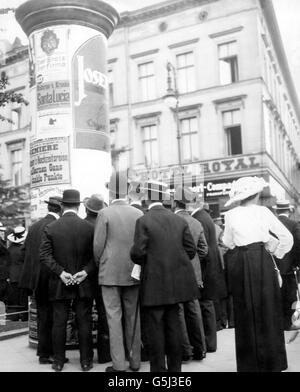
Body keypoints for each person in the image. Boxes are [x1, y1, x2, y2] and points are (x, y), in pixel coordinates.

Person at [223, 176, 293, 372]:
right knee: (268, 310)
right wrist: (275, 250)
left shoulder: (231, 215)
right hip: (262, 261)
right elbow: (286, 238)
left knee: (245, 311)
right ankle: (272, 363)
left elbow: (228, 242)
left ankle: (249, 365)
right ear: (256, 195)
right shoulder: (263, 212)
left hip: (241, 263)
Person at [130, 180, 199, 372]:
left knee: (155, 331)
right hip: (176, 286)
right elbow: (191, 251)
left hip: (153, 285)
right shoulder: (179, 220)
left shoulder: (143, 220)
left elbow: (138, 253)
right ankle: (175, 371)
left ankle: (158, 372)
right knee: (174, 327)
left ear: (147, 197)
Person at [40, 189, 96, 372]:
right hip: (83, 282)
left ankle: (58, 361)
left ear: (62, 206)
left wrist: (61, 273)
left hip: (58, 283)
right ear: (79, 207)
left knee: (59, 322)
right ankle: (86, 361)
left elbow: (45, 255)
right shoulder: (89, 228)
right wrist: (85, 272)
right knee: (84, 321)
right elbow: (97, 256)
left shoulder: (51, 228)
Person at [93, 171, 143, 372]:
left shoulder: (104, 213)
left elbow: (98, 246)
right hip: (133, 271)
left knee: (114, 318)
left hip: (110, 272)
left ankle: (118, 364)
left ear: (111, 192)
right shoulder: (138, 214)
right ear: (128, 191)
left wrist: (102, 264)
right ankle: (135, 361)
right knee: (133, 316)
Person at [19, 196, 62, 364]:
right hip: (52, 277)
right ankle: (50, 353)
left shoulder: (34, 226)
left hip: (37, 280)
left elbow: (24, 253)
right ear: (60, 208)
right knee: (54, 318)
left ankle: (43, 353)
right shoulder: (55, 226)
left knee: (43, 317)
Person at [173, 186, 208, 362]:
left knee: (179, 311)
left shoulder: (171, 220)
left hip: (177, 273)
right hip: (194, 273)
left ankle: (185, 351)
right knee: (194, 310)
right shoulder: (196, 222)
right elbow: (204, 249)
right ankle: (200, 349)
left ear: (174, 202)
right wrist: (192, 261)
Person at [191, 203, 227, 352]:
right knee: (208, 305)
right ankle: (210, 343)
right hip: (210, 268)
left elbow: (202, 249)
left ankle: (208, 343)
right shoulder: (205, 217)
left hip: (205, 269)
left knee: (205, 305)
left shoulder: (198, 218)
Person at [83, 194, 111, 364]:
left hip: (85, 276)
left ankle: (86, 356)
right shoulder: (105, 225)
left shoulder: (81, 225)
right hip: (102, 275)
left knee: (84, 315)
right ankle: (104, 353)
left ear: (86, 209)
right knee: (104, 314)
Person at [272, 199, 300, 330]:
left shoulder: (271, 225)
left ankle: (277, 323)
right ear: (289, 210)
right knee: (290, 295)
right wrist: (296, 263)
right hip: (290, 267)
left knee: (276, 295)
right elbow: (298, 245)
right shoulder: (294, 224)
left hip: (274, 266)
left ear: (277, 211)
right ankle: (289, 323)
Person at [6, 226, 28, 321]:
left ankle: (13, 316)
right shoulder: (24, 250)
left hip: (11, 276)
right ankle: (23, 316)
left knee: (13, 298)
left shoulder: (9, 249)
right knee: (23, 298)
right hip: (22, 276)